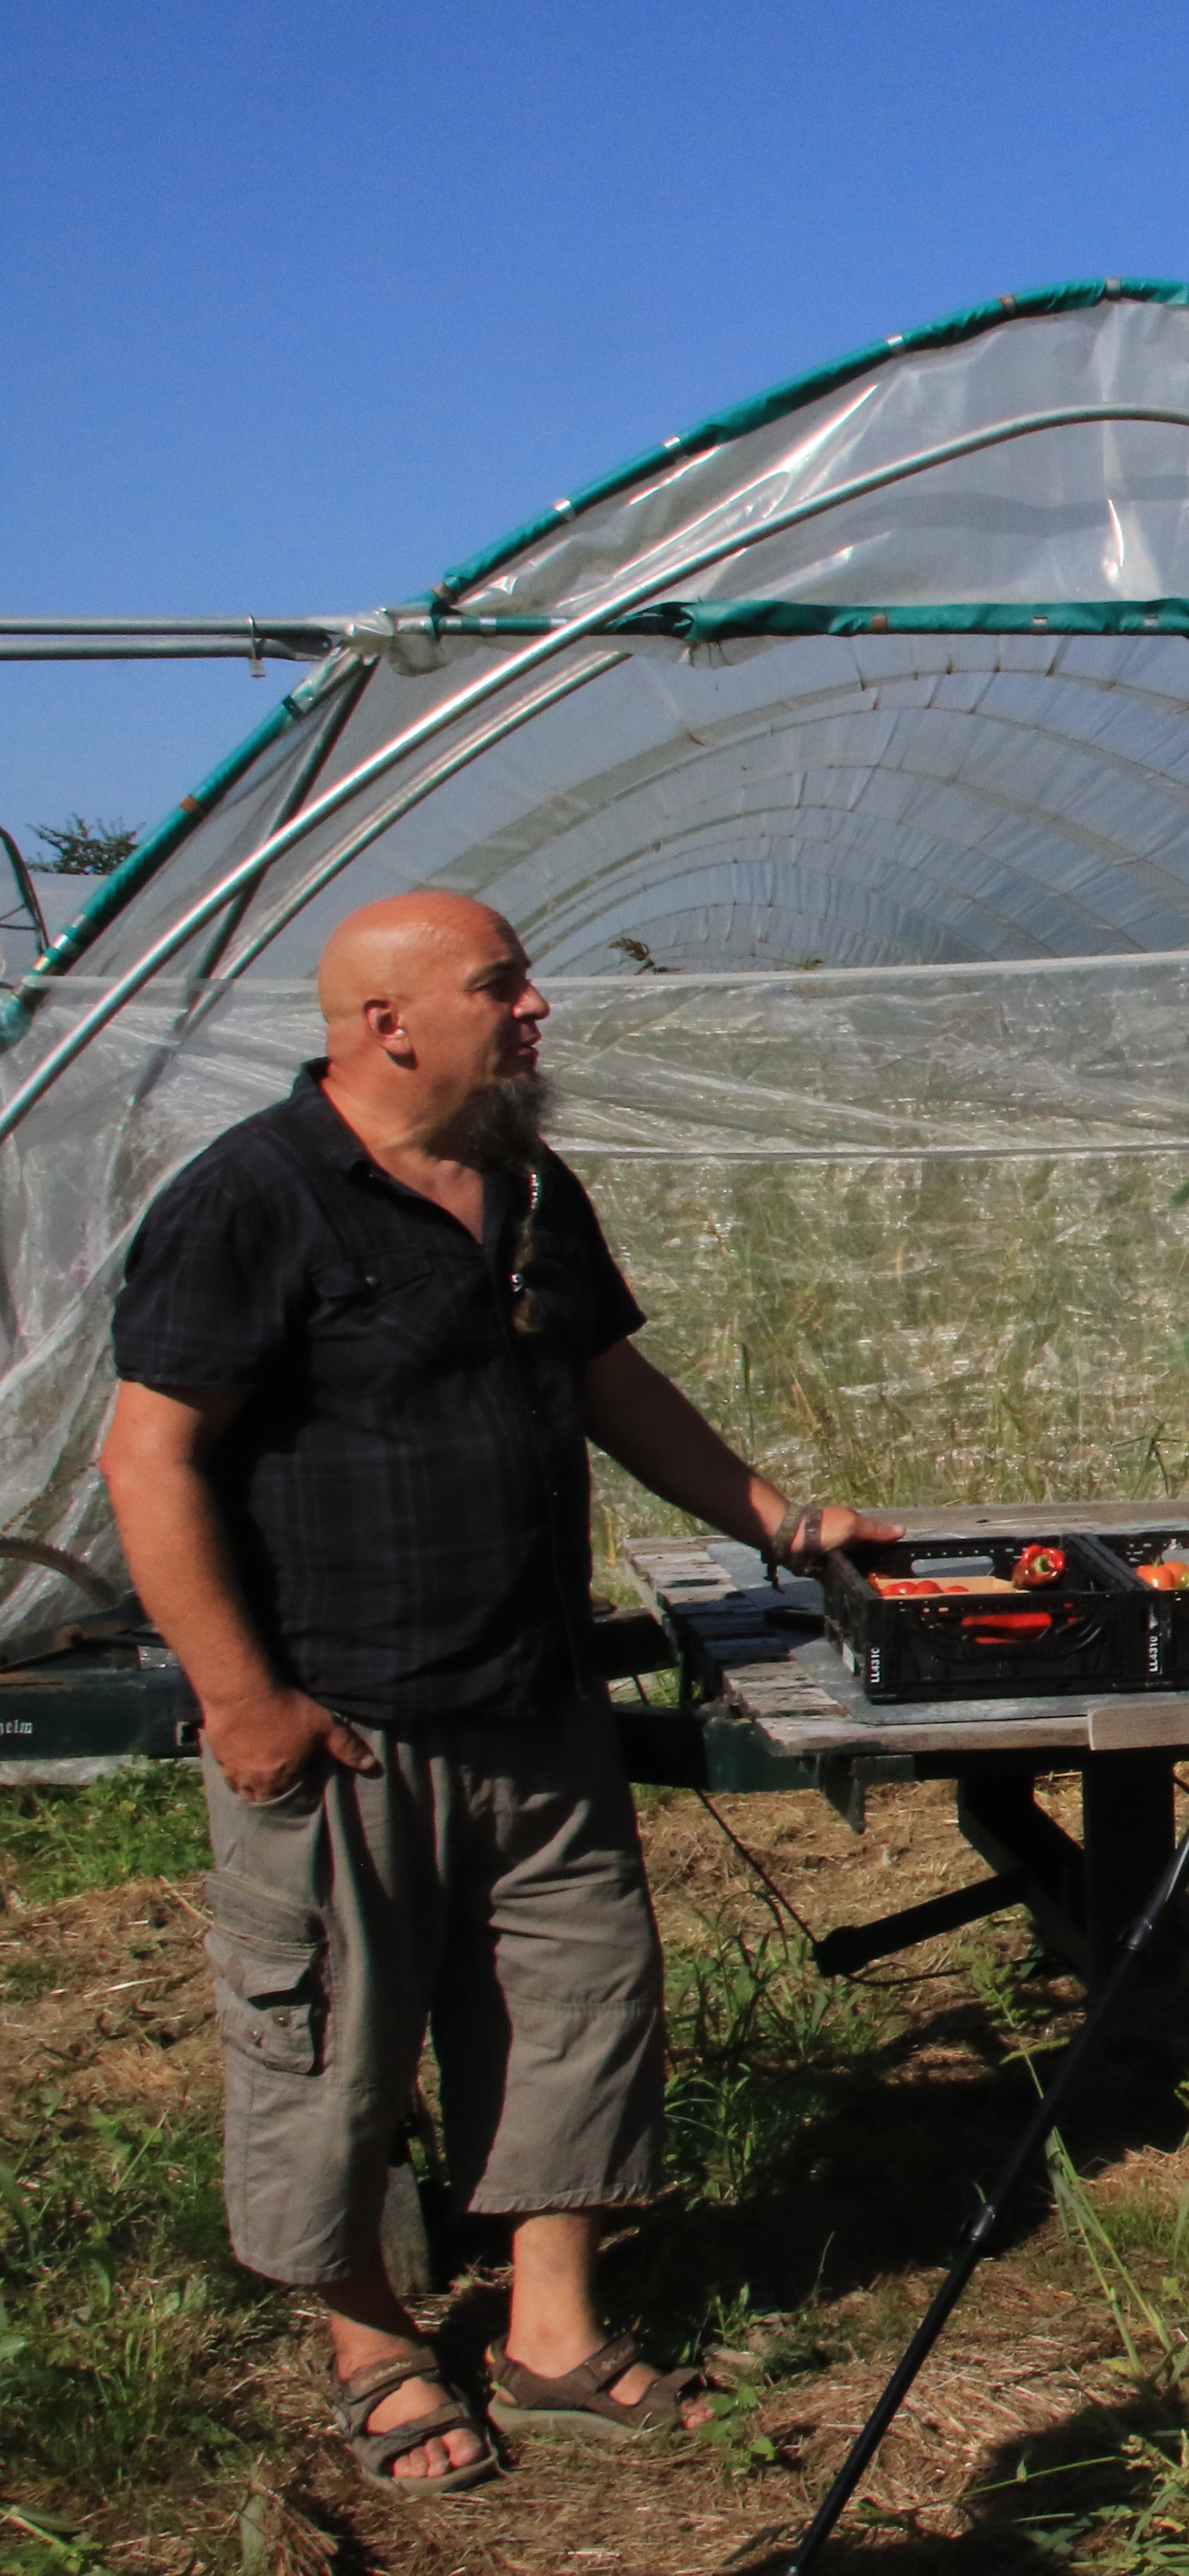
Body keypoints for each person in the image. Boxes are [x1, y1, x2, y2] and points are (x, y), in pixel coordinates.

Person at [95, 892, 897, 2493]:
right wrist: (243, 1699)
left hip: (531, 1697)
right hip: (340, 1717)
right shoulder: (254, 1198)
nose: (537, 1009)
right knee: (330, 2043)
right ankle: (373, 2338)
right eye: (501, 985)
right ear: (389, 1021)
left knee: (578, 2014)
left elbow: (608, 1379)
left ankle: (550, 2337)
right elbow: (151, 1453)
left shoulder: (525, 1185)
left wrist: (782, 1523)